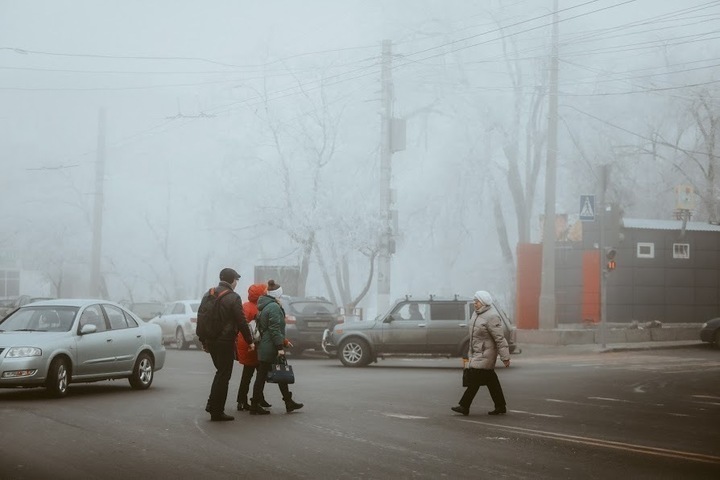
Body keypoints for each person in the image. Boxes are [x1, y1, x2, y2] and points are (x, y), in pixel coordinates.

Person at [203, 267, 254, 422]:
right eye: (236, 280)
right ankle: (217, 411)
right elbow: (242, 321)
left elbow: (201, 318)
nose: (237, 283)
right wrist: (250, 340)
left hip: (210, 340)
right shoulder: (233, 297)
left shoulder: (209, 293)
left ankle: (212, 405)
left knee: (220, 372)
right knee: (224, 375)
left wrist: (203, 339)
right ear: (232, 280)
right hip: (224, 341)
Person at [451, 290, 510, 416]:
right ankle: (500, 406)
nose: (474, 303)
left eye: (477, 301)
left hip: (485, 354)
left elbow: (499, 338)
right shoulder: (477, 314)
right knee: (491, 380)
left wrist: (505, 357)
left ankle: (464, 405)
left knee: (475, 380)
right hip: (477, 352)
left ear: (483, 302)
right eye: (474, 300)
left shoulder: (491, 316)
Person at [250, 279, 304, 415]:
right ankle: (256, 404)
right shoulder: (273, 307)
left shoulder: (266, 305)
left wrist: (283, 342)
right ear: (277, 295)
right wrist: (280, 347)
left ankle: (288, 402)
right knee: (265, 376)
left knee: (279, 373)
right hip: (270, 346)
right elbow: (274, 329)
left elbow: (271, 329)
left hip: (266, 344)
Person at [235, 283, 272, 411]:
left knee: (248, 373)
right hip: (253, 344)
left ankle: (244, 400)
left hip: (243, 342)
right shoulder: (259, 308)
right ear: (261, 294)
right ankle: (253, 400)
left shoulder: (245, 306)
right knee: (257, 375)